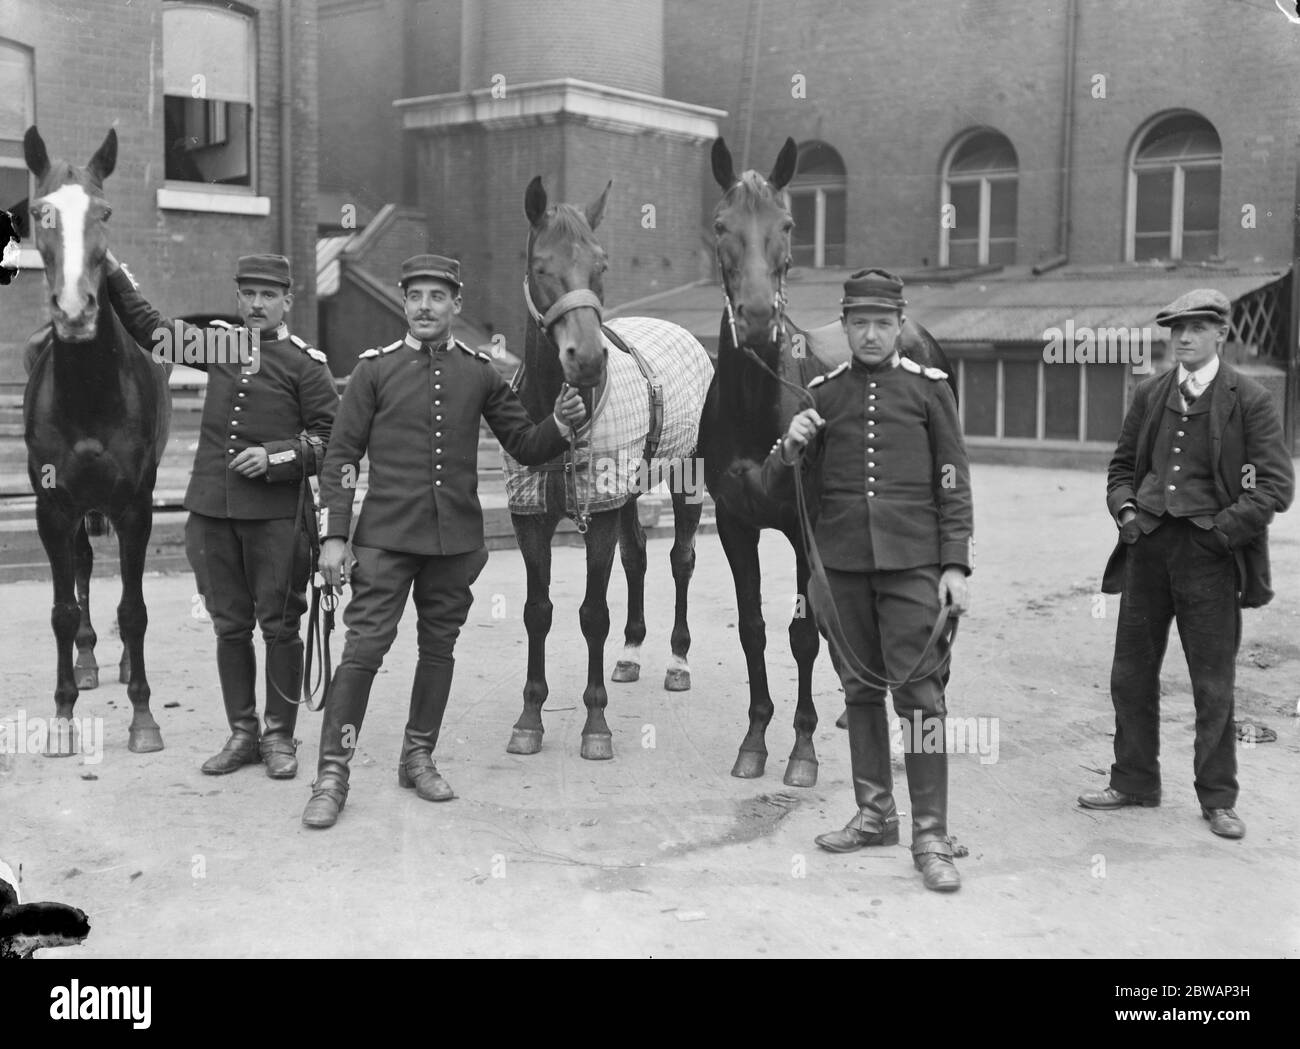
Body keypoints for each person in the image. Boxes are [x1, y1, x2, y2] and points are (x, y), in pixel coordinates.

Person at [301, 254, 588, 829]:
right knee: (363, 653)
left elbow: (524, 444)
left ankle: (418, 755)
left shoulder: (480, 372)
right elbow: (340, 459)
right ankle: (333, 771)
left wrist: (558, 427)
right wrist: (335, 537)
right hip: (384, 540)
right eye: (415, 296)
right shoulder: (373, 371)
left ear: (457, 303)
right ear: (403, 304)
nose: (425, 306)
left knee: (439, 651)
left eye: (437, 296)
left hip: (454, 543)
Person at [758, 268, 973, 892]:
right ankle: (876, 812)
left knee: (923, 699)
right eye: (860, 324)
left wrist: (955, 564)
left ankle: (930, 833)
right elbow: (777, 488)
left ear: (900, 325)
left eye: (883, 323)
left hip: (913, 566)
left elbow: (954, 485)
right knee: (858, 692)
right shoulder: (822, 395)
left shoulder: (930, 391)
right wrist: (789, 446)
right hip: (844, 566)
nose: (872, 334)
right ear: (844, 328)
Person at [104, 252, 338, 779]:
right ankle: (242, 733)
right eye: (248, 294)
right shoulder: (222, 345)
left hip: (277, 518)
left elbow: (332, 442)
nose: (257, 304)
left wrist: (277, 455)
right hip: (212, 513)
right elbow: (151, 329)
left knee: (279, 627)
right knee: (229, 627)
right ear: (238, 298)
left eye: (269, 296)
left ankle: (279, 738)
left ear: (287, 301)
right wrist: (114, 269)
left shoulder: (306, 364)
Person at [1081, 289, 1294, 838]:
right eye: (1176, 329)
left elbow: (1275, 485)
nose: (1184, 338)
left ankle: (1218, 798)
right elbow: (1121, 467)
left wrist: (1221, 534)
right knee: (1130, 674)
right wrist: (1127, 512)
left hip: (1209, 558)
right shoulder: (1151, 393)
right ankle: (1133, 781)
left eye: (1197, 328)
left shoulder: (1248, 398)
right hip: (1147, 549)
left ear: (1221, 333)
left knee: (1212, 682)